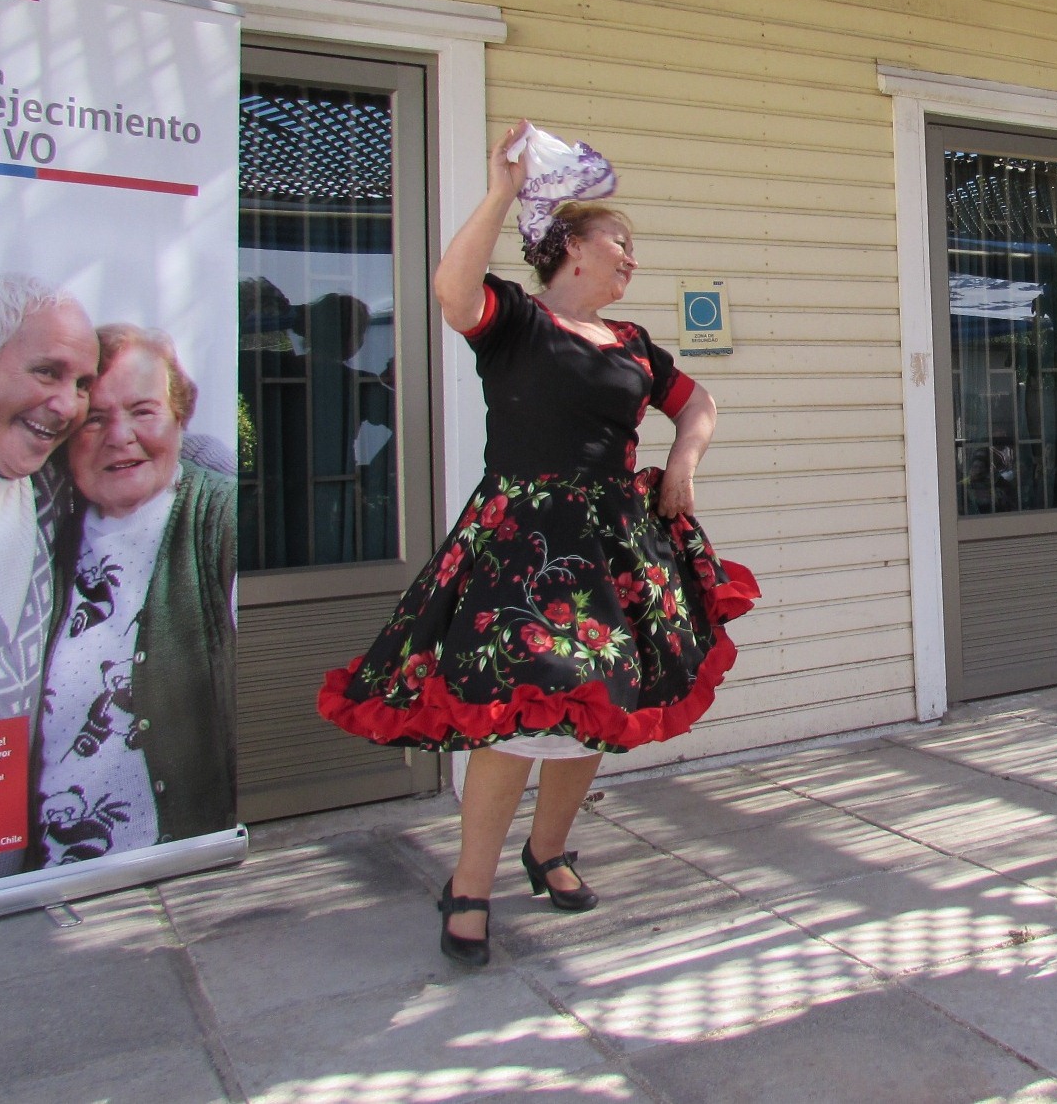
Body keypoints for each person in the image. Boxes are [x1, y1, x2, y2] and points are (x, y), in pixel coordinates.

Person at [318, 122, 758, 967]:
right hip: (522, 547)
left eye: (632, 248)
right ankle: (470, 885)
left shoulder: (633, 344)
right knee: (513, 711)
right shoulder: (515, 320)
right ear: (571, 247)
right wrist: (499, 193)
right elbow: (452, 293)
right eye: (619, 242)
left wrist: (683, 463)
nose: (631, 259)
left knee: (597, 705)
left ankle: (547, 850)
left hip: (614, 545)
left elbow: (699, 402)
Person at [33, 324, 237, 866]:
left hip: (175, 873)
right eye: (94, 419)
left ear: (179, 417)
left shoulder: (218, 519)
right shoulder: (45, 529)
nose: (119, 436)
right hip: (46, 881)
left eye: (143, 411)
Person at [0, 274, 97, 888]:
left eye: (82, 384)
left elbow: (176, 448)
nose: (67, 405)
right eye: (47, 372)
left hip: (3, 894)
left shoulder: (46, 490)